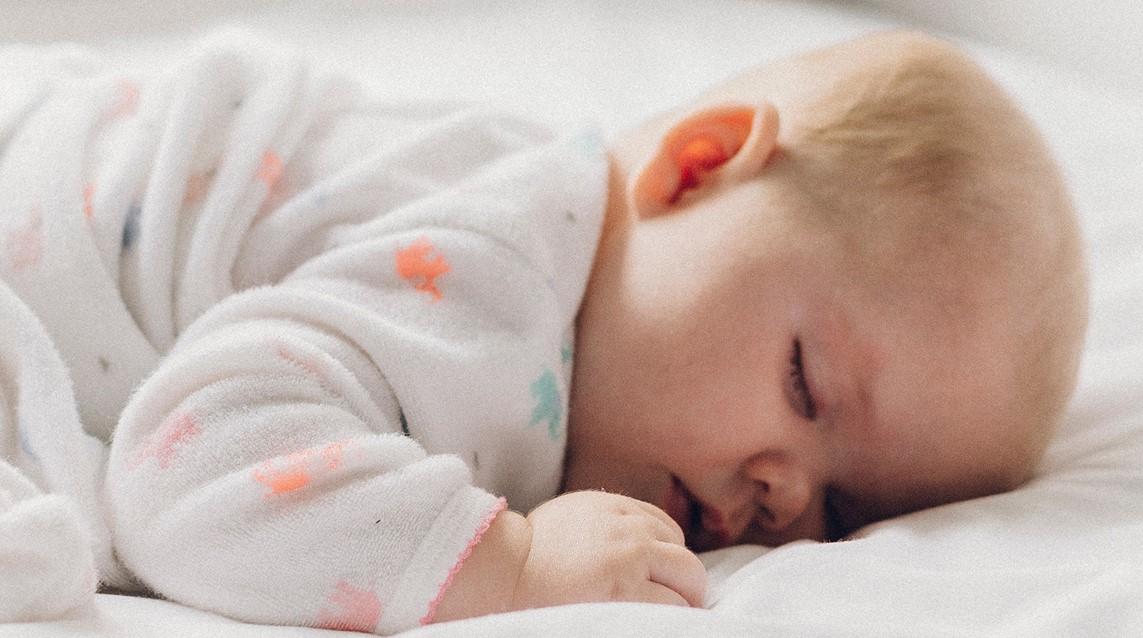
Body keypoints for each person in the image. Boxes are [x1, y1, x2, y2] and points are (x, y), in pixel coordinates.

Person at [0, 29, 1087, 632]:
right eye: (806, 385)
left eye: (845, 504)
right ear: (697, 167)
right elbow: (183, 472)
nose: (785, 495)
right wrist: (507, 563)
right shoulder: (498, 288)